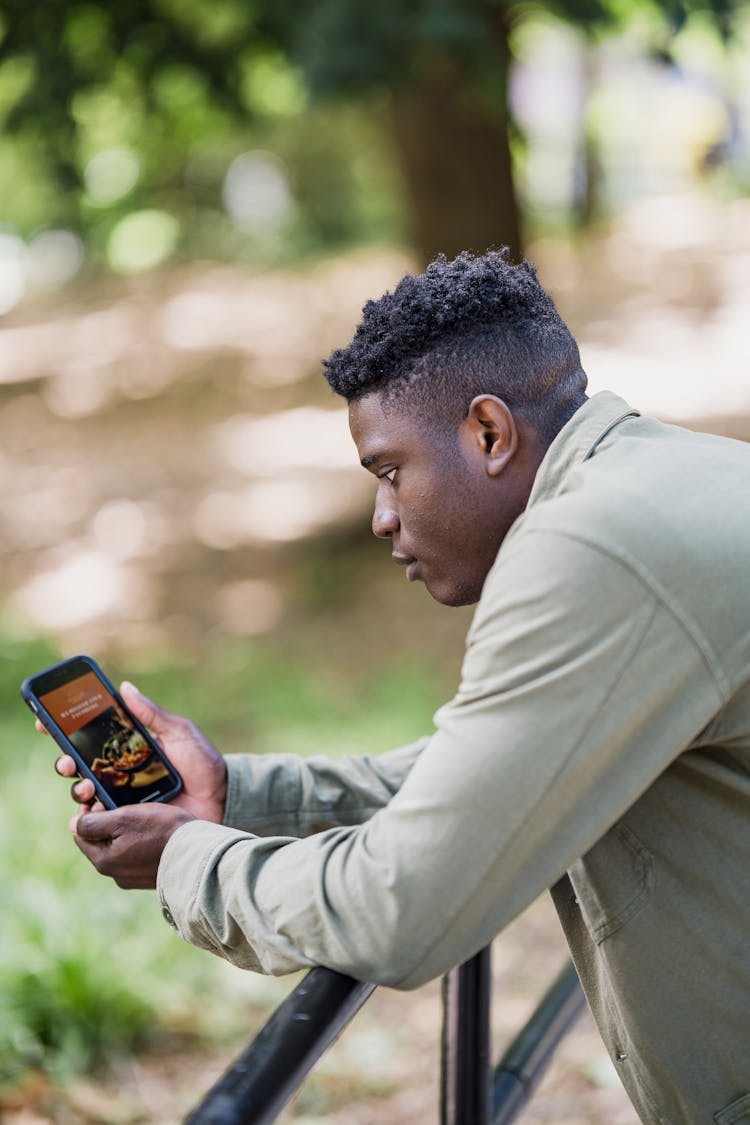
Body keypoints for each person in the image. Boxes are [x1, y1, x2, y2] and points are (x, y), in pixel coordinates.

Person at [50, 250, 750, 1125]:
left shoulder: (597, 548)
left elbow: (405, 906)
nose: (383, 517)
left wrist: (189, 860)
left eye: (389, 471)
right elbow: (482, 773)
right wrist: (233, 796)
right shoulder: (662, 479)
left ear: (489, 433)